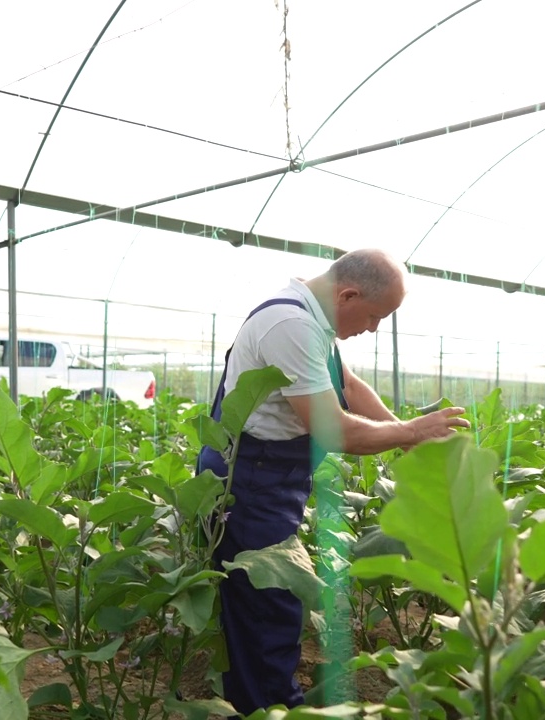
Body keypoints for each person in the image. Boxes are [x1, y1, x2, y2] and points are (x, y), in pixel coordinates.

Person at [196, 248, 470, 716]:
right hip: (246, 485)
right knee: (267, 610)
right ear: (348, 294)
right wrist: (409, 432)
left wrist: (404, 434)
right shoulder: (291, 325)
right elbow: (332, 429)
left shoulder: (313, 320)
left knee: (261, 605)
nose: (373, 328)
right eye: (374, 316)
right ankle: (268, 708)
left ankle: (258, 700)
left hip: (270, 478)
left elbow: (348, 384)